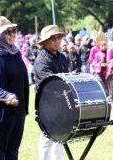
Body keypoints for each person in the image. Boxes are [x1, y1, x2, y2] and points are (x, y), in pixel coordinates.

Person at [0, 15, 29, 159]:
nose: (13, 34)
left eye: (14, 30)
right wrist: (7, 96)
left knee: (13, 150)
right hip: (1, 112)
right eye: (8, 32)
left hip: (18, 110)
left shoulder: (15, 53)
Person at [33, 25, 68, 160]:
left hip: (63, 103)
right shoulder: (42, 60)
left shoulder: (62, 57)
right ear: (45, 42)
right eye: (53, 38)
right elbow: (51, 85)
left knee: (61, 137)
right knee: (47, 139)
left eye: (58, 37)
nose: (57, 41)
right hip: (47, 105)